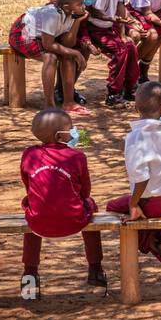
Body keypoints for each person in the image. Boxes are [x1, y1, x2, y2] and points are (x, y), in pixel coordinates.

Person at [106, 81, 161, 300]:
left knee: (117, 209)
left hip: (150, 202)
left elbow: (141, 177)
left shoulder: (135, 137)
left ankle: (160, 247)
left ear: (136, 107)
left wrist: (134, 204)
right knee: (137, 216)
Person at [19, 107, 105, 299]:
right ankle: (95, 268)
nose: (74, 132)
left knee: (34, 213)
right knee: (92, 206)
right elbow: (85, 192)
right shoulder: (77, 156)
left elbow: (28, 185)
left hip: (39, 221)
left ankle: (30, 273)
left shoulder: (29, 155)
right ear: (60, 135)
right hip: (73, 219)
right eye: (71, 128)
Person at [8, 0, 90, 113]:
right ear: (67, 7)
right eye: (80, 4)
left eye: (83, 3)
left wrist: (77, 21)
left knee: (68, 55)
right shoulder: (52, 14)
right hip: (24, 33)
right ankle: (49, 103)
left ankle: (68, 102)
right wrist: (76, 53)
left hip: (44, 37)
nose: (83, 7)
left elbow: (67, 43)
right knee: (50, 57)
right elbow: (48, 45)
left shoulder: (71, 13)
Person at [85, 0, 139, 108]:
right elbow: (95, 12)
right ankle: (113, 93)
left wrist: (122, 34)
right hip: (96, 28)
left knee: (131, 47)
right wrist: (111, 19)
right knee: (120, 51)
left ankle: (130, 88)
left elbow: (121, 6)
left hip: (110, 27)